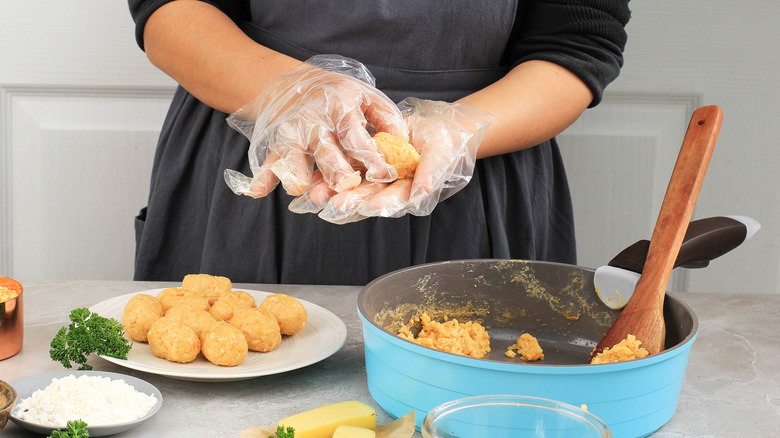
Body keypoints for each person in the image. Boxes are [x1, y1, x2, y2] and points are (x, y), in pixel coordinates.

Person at [127, 0, 631, 285]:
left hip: (481, 171)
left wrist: (459, 128)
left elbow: (578, 42)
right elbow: (170, 7)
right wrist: (294, 92)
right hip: (265, 138)